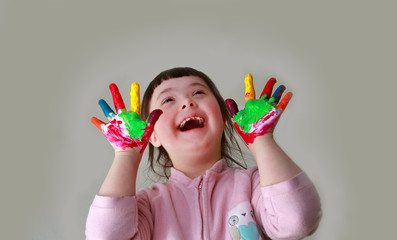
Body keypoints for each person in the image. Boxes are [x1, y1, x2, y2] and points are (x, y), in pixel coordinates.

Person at [86, 67, 322, 240]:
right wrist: (126, 155)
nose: (188, 102)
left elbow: (298, 221)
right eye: (168, 99)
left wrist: (261, 140)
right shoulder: (149, 206)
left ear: (222, 117)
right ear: (152, 136)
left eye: (198, 93)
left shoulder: (254, 187)